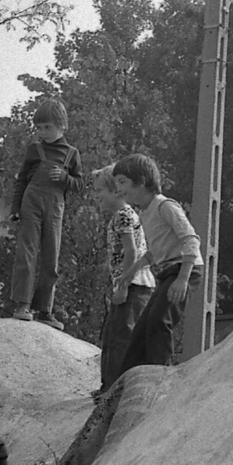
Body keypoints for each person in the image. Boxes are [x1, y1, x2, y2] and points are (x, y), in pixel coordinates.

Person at [110, 153, 203, 376]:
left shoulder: (165, 206)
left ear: (141, 181)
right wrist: (129, 272)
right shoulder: (145, 212)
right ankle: (126, 380)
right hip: (167, 271)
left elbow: (191, 239)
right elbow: (154, 252)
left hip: (185, 269)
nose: (119, 189)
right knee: (142, 329)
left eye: (122, 182)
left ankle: (159, 375)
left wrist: (182, 279)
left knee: (159, 321)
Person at [7, 96, 84, 325]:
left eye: (47, 127)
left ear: (62, 125)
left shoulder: (72, 154)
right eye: (39, 128)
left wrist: (65, 178)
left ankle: (45, 310)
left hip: (55, 206)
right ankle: (23, 304)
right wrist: (15, 208)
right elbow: (21, 180)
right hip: (31, 202)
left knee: (51, 257)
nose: (43, 132)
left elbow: (80, 184)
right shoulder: (34, 149)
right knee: (27, 252)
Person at [95, 165, 154, 394]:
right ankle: (108, 386)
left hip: (134, 286)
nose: (96, 195)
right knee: (111, 335)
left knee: (120, 337)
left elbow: (131, 251)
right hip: (132, 285)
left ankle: (114, 389)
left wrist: (123, 285)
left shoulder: (123, 215)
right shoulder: (123, 215)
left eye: (100, 190)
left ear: (116, 191)